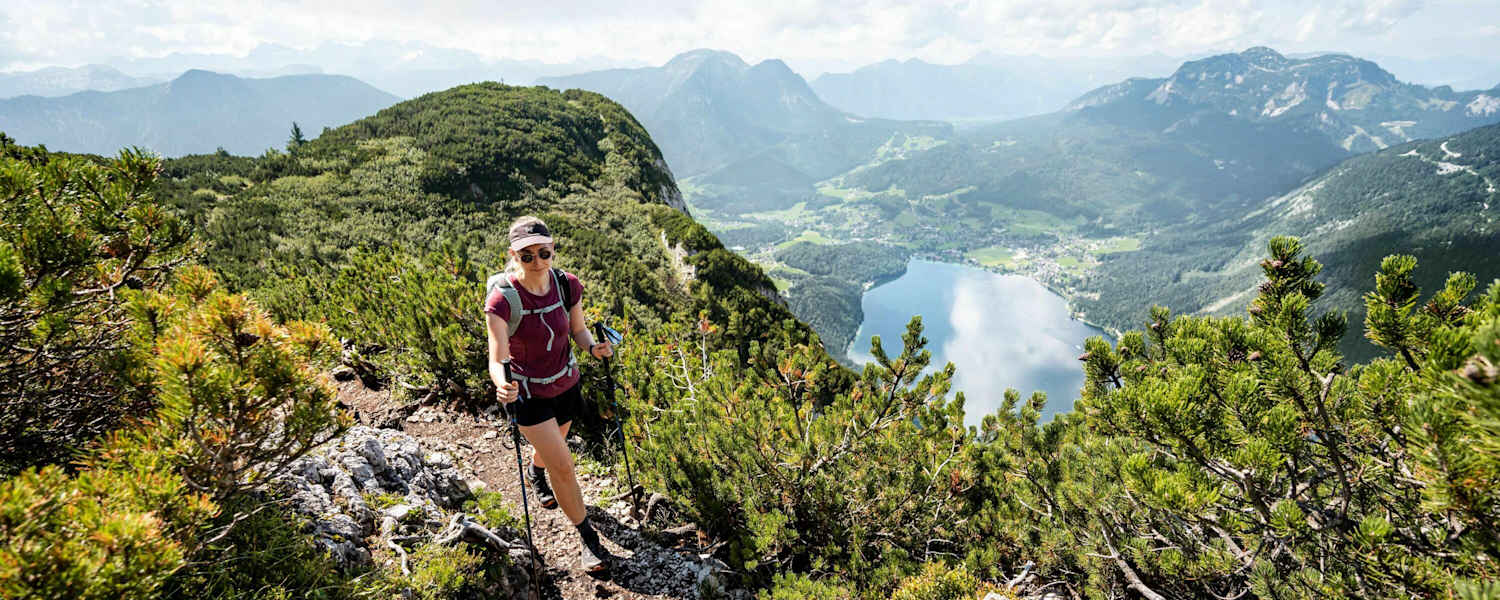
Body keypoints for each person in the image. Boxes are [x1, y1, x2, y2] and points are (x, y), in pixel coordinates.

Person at [484, 215, 615, 572]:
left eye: (544, 253)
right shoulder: (502, 302)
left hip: (566, 385)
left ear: (553, 250)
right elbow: (497, 357)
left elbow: (579, 330)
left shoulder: (567, 285)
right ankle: (588, 539)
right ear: (513, 255)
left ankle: (535, 470)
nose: (538, 261)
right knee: (564, 465)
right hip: (528, 395)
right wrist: (501, 383)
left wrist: (593, 349)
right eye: (528, 256)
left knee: (554, 445)